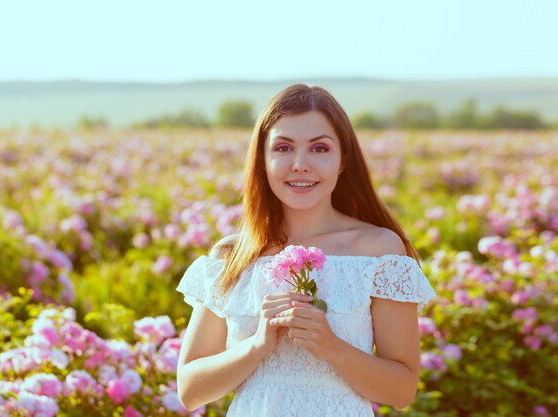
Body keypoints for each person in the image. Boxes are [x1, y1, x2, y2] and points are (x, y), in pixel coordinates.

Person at [175, 84, 437, 417]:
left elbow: (401, 390)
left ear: (342, 161)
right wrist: (257, 346)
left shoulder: (379, 251)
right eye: (283, 147)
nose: (300, 164)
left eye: (320, 149)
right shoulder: (231, 256)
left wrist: (330, 347)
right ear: (263, 160)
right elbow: (190, 390)